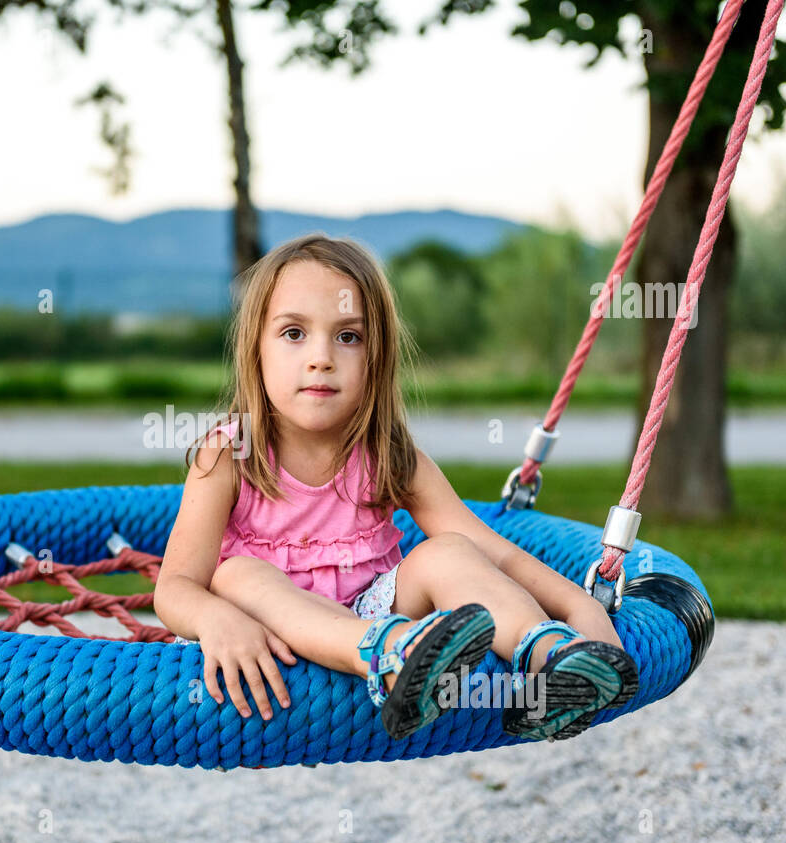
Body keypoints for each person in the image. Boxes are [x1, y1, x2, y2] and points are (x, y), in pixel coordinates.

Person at [152, 233, 638, 742]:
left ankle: (555, 660)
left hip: (378, 613)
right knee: (236, 576)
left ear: (377, 355)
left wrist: (578, 605)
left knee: (450, 550)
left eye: (348, 337)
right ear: (256, 348)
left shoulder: (388, 455)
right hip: (266, 630)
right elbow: (175, 588)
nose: (321, 357)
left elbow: (490, 549)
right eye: (294, 333)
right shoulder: (230, 454)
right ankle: (394, 655)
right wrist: (214, 620)